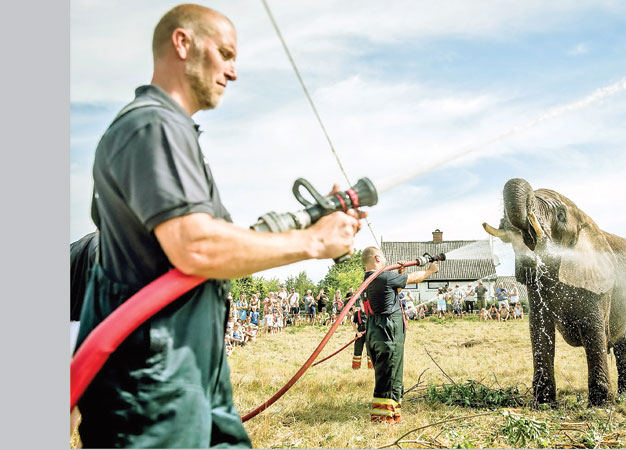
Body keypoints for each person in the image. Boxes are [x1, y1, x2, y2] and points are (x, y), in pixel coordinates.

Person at [73, 5, 364, 447]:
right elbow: (198, 248)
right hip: (150, 391)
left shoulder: (173, 131)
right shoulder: (151, 125)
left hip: (192, 374)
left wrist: (316, 226)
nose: (233, 71)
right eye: (225, 53)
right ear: (182, 42)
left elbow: (214, 244)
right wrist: (312, 241)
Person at [361, 246, 439, 423]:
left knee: (390, 373)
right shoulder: (383, 276)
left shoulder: (368, 280)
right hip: (387, 331)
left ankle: (393, 414)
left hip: (375, 331)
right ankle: (383, 420)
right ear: (377, 258)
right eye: (384, 256)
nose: (386, 259)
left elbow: (392, 293)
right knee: (389, 375)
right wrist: (429, 271)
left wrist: (399, 272)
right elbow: (413, 278)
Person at [351, 303, 372, 369]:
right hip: (360, 334)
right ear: (360, 303)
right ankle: (356, 367)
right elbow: (353, 324)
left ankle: (371, 367)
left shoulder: (370, 312)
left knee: (371, 350)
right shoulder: (357, 313)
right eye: (362, 302)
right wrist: (357, 333)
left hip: (369, 334)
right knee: (357, 349)